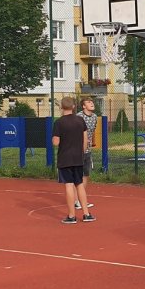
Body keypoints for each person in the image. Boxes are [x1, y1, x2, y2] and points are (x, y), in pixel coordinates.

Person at [52, 96, 94, 224]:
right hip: (78, 157)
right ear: (74, 107)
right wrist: (81, 153)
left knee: (69, 185)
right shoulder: (80, 120)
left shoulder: (59, 123)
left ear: (61, 107)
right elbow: (85, 139)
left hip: (65, 158)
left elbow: (56, 142)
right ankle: (86, 214)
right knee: (79, 184)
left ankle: (71, 216)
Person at [74, 98, 98, 210]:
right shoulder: (79, 117)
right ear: (83, 106)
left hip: (87, 150)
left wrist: (92, 141)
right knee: (77, 176)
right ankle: (76, 200)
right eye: (88, 102)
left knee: (85, 175)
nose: (92, 103)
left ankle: (80, 199)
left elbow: (92, 131)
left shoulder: (94, 117)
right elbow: (72, 132)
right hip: (77, 150)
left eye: (92, 102)